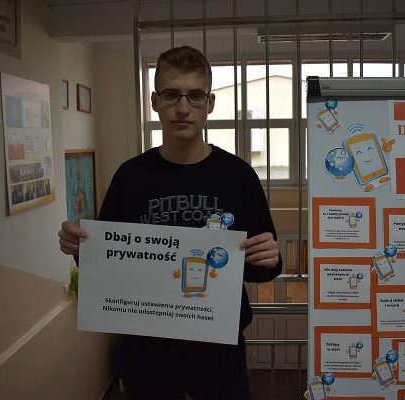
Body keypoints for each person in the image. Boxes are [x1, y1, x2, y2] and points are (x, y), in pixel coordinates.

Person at [58, 46, 282, 400]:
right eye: (171, 94)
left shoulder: (239, 176)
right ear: (154, 101)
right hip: (148, 350)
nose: (182, 107)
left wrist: (271, 259)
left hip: (218, 350)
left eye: (195, 95)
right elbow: (103, 263)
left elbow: (263, 266)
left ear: (209, 103)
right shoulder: (131, 177)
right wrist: (78, 246)